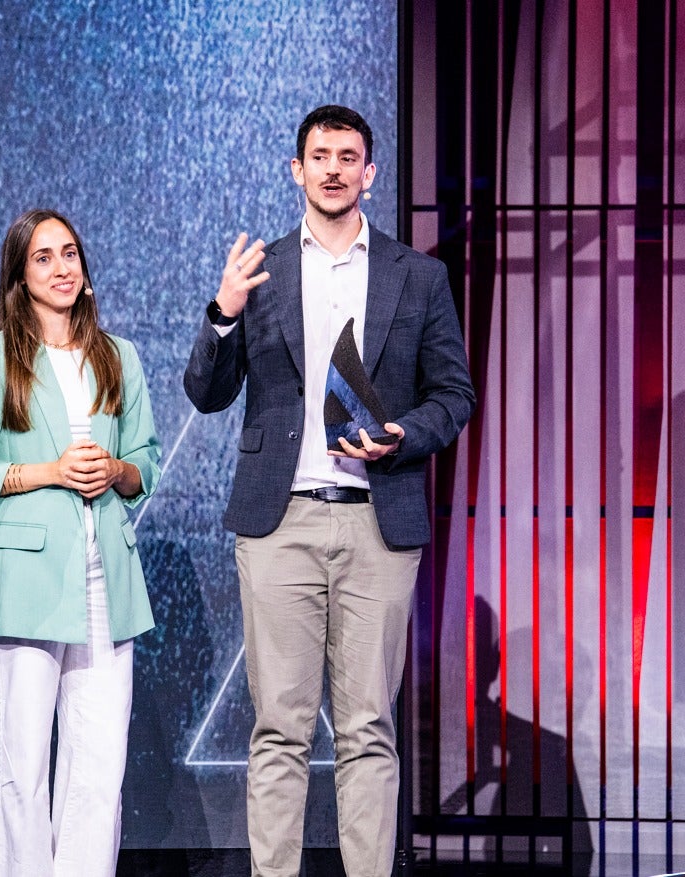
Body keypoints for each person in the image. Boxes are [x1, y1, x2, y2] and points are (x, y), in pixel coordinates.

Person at [184, 104, 475, 876]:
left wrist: (404, 434)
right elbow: (206, 393)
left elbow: (455, 394)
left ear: (370, 174)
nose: (335, 168)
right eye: (321, 155)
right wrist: (223, 313)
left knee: (368, 726)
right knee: (279, 727)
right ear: (297, 169)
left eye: (350, 156)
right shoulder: (263, 270)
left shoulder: (420, 276)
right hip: (280, 522)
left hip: (379, 522)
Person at [0, 208, 161, 876]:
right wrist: (50, 471)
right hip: (27, 583)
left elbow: (146, 463)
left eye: (69, 253)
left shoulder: (119, 355)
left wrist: (118, 470)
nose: (62, 267)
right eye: (43, 257)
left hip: (107, 579)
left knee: (99, 767)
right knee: (20, 764)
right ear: (20, 273)